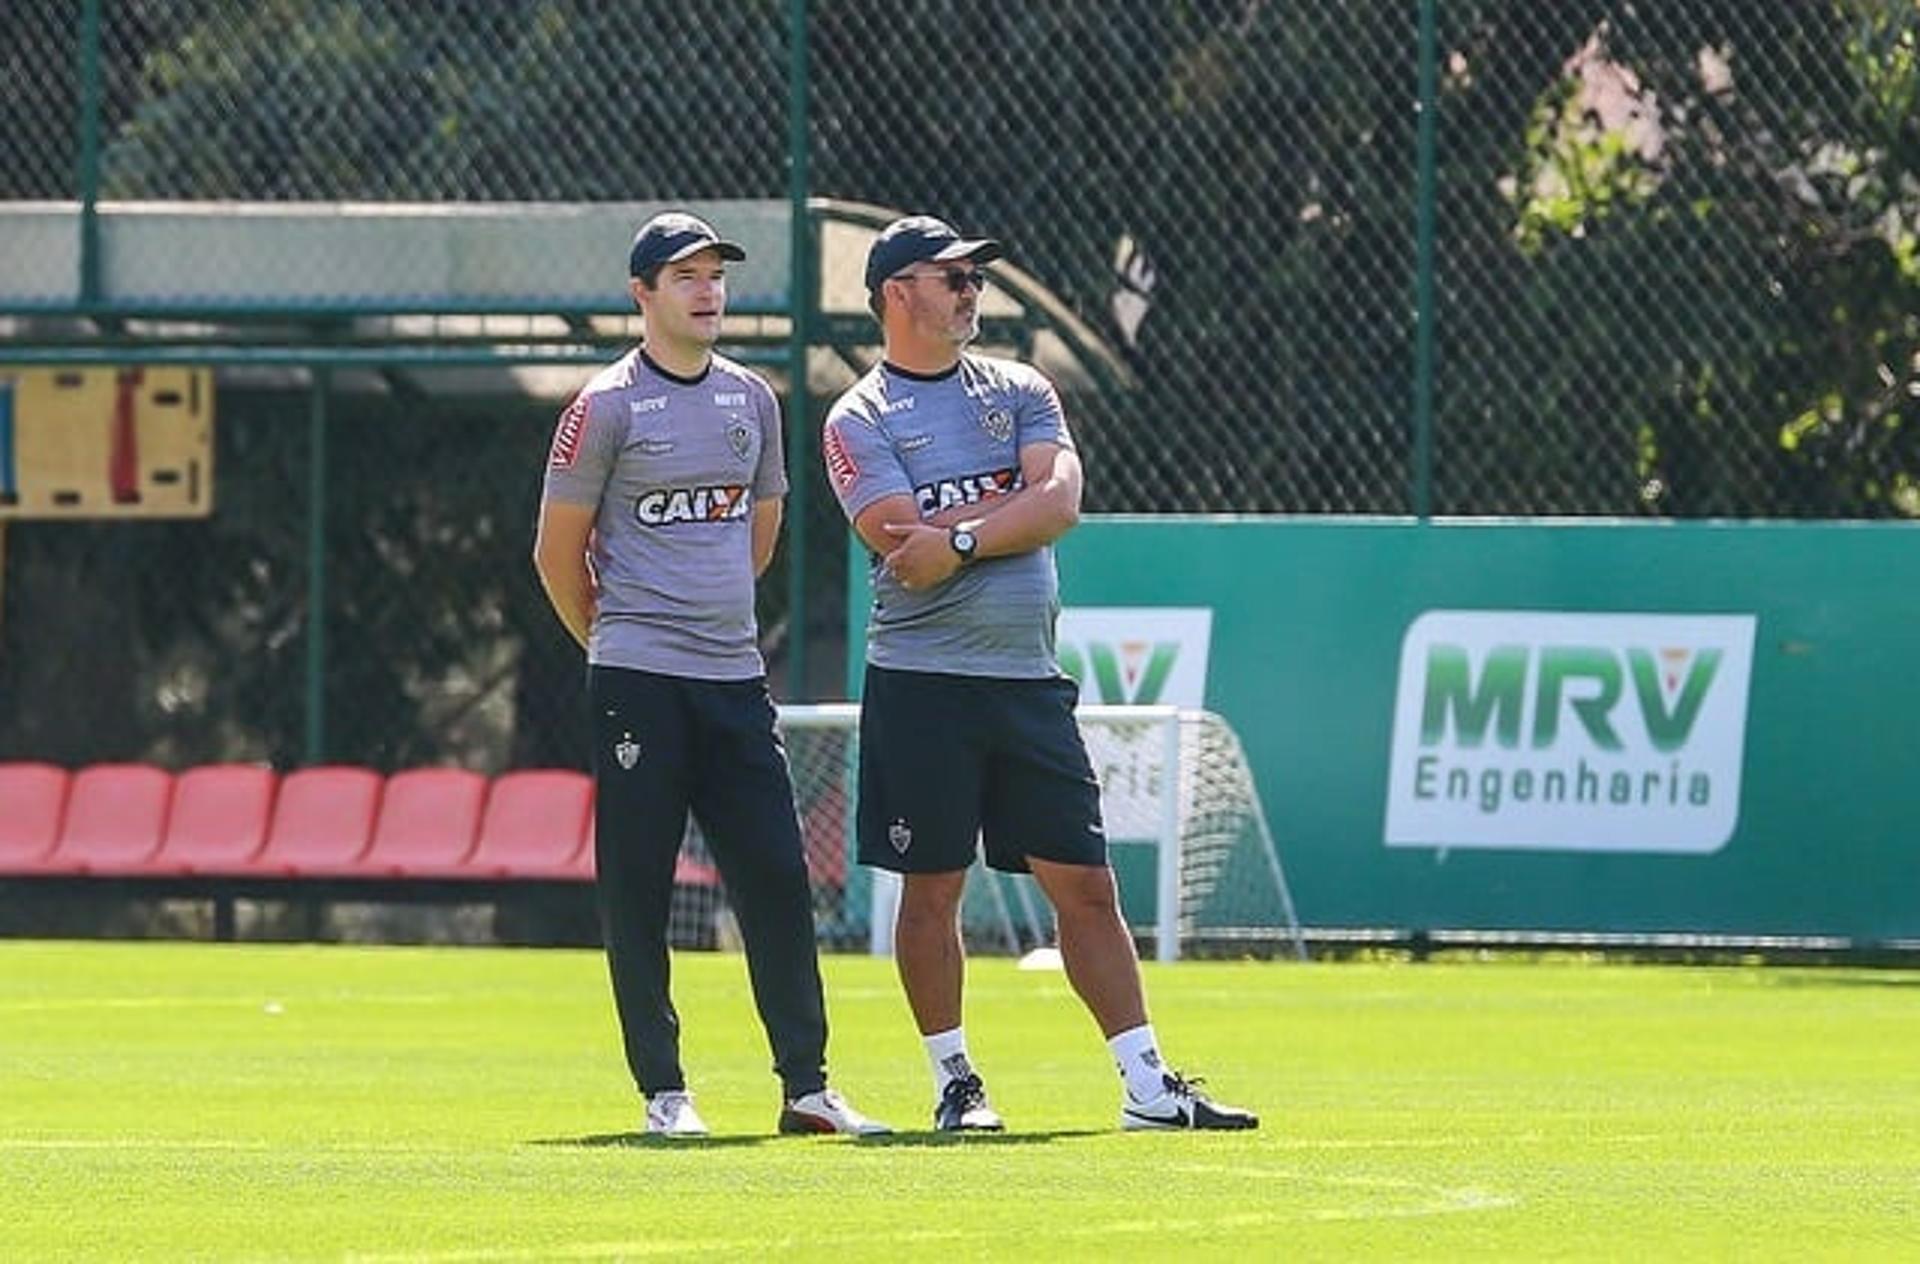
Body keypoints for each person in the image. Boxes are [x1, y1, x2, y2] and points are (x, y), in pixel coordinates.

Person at [822, 215, 1258, 1133]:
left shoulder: (1021, 387)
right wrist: (1000, 506)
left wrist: (971, 530)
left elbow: (1058, 503)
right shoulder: (859, 416)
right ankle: (958, 1084)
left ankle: (1147, 1086)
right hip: (922, 682)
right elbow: (904, 544)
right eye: (952, 277)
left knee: (1088, 886)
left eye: (975, 276)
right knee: (932, 890)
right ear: (898, 292)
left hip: (1027, 682)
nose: (972, 289)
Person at [533, 211, 887, 1139]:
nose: (707, 290)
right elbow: (555, 553)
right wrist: (612, 644)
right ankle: (664, 1091)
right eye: (684, 275)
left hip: (734, 679)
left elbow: (758, 534)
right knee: (642, 887)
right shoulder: (603, 406)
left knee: (775, 876)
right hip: (639, 680)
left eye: (715, 274)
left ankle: (806, 1085)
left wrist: (709, 617)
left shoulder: (753, 400)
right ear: (641, 293)